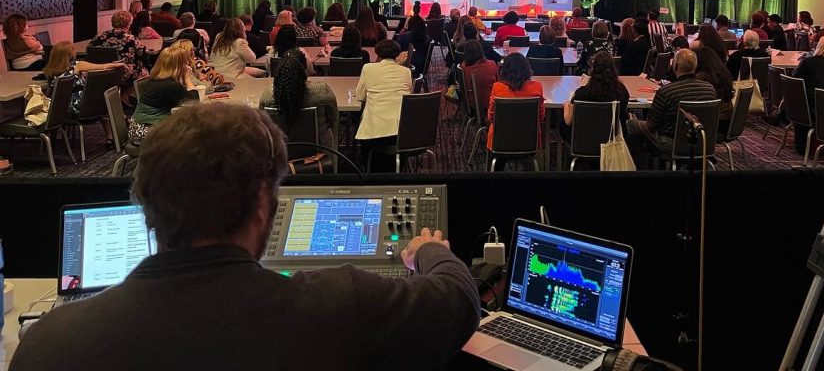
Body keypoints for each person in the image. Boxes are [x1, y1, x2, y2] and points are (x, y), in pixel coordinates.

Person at [10, 103, 479, 371]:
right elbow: (458, 302)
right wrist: (428, 249)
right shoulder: (339, 304)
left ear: (146, 206)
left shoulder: (49, 345)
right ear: (264, 204)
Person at [625, 49, 717, 164]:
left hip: (671, 143)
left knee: (632, 125)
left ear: (675, 65)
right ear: (696, 65)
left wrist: (635, 120)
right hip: (703, 143)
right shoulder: (710, 89)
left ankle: (640, 168)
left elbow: (651, 125)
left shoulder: (666, 92)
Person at [260, 49, 336, 147]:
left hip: (281, 150)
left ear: (279, 70)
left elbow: (264, 125)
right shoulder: (322, 91)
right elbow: (333, 117)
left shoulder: (267, 96)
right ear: (305, 69)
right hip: (318, 150)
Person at [354, 40, 413, 160]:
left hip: (374, 132)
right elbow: (409, 97)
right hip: (402, 131)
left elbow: (360, 96)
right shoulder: (406, 72)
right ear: (397, 55)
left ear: (378, 54)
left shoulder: (368, 68)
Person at [486, 52, 545, 170]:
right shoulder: (537, 87)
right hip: (529, 141)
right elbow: (540, 117)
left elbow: (491, 117)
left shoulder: (497, 88)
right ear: (527, 69)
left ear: (505, 70)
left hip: (500, 141)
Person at [129, 45, 197, 145]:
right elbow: (194, 102)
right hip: (146, 133)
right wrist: (187, 78)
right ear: (179, 65)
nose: (187, 65)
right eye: (185, 62)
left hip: (137, 128)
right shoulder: (170, 85)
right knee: (193, 133)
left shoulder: (156, 79)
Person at [562, 51, 629, 149]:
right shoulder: (621, 91)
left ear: (592, 70)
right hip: (612, 140)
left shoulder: (582, 93)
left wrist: (566, 106)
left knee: (562, 125)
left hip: (583, 140)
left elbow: (568, 121)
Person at [41, 41, 126, 116]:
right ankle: (112, 131)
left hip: (59, 110)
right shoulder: (78, 66)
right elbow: (102, 67)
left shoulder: (49, 71)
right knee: (103, 102)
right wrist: (118, 64)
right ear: (70, 55)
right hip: (79, 108)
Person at [90, 11, 150, 86]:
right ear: (128, 24)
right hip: (125, 74)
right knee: (145, 70)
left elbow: (89, 51)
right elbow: (145, 55)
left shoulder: (98, 37)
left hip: (101, 73)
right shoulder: (131, 39)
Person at [461, 39, 499, 117]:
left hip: (472, 103)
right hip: (491, 103)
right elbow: (498, 83)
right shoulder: (492, 64)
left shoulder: (463, 67)